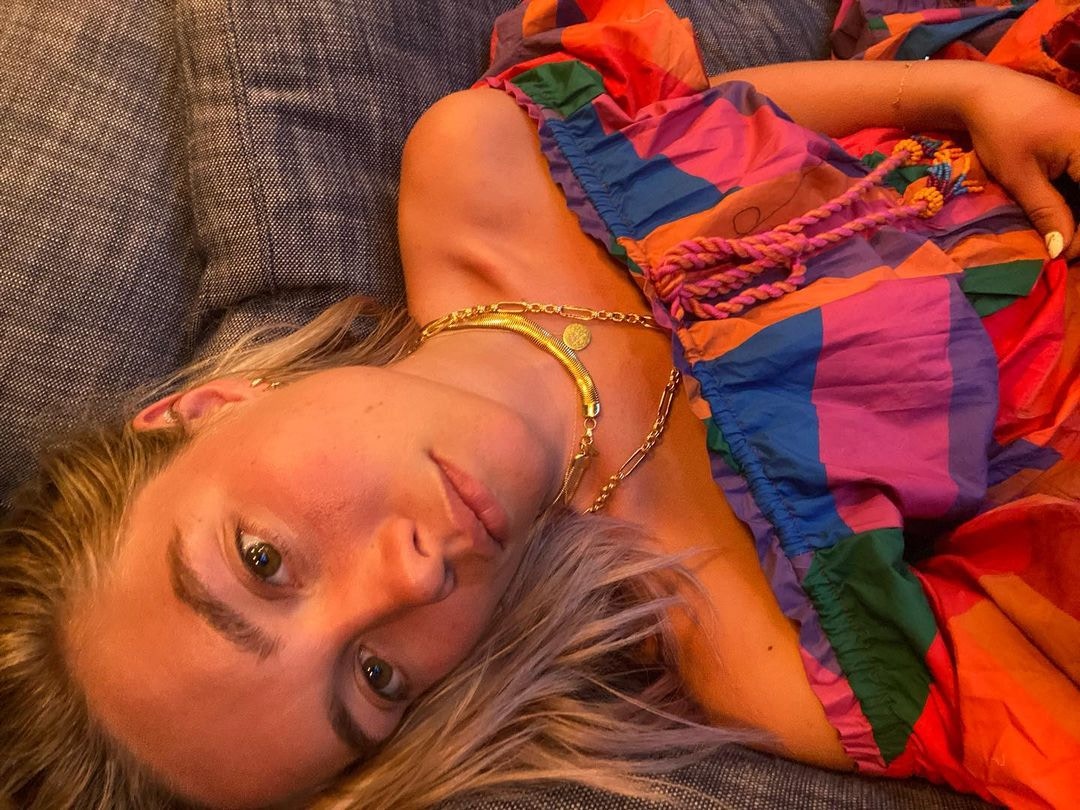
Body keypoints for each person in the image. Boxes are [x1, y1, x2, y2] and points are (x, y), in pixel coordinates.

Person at [1, 0, 1078, 808]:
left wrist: (966, 96)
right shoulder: (771, 649)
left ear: (203, 407)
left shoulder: (477, 161)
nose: (411, 580)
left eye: (263, 560)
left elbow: (733, 123)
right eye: (375, 678)